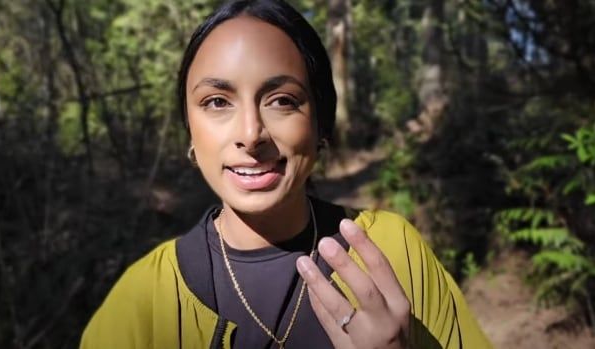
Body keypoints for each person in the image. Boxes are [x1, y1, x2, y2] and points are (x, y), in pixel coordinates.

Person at [80, 0, 492, 348]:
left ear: (320, 126)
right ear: (189, 129)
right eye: (217, 101)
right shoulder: (142, 302)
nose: (250, 135)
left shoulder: (393, 252)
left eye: (281, 100)